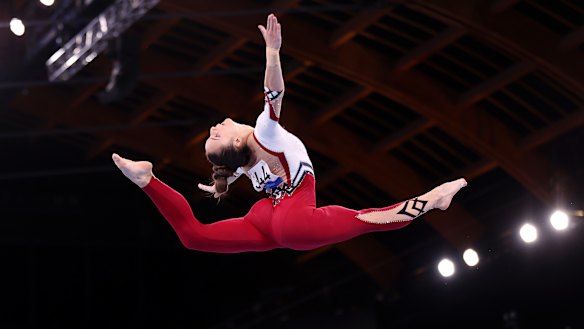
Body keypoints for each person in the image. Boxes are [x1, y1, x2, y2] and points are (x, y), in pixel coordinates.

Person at [112, 14, 467, 253]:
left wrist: (228, 177)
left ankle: (147, 180)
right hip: (294, 218)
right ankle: (433, 198)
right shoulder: (264, 133)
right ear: (236, 140)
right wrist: (272, 53)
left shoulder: (244, 158)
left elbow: (239, 165)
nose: (214, 126)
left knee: (193, 237)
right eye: (216, 135)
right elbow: (274, 94)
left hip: (266, 218)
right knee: (370, 219)